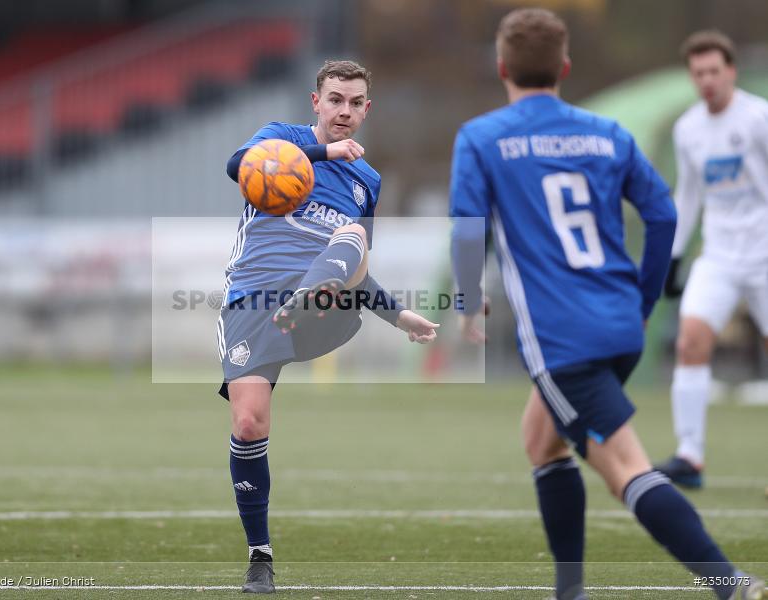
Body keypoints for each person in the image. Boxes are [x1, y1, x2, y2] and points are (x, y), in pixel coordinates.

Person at [449, 9, 764, 600]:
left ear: (501, 68)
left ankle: (729, 583)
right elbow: (665, 213)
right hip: (620, 323)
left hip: (562, 339)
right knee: (541, 440)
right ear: (564, 67)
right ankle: (569, 589)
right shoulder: (607, 133)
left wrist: (467, 303)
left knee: (624, 467)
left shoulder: (483, 137)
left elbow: (468, 229)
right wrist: (642, 298)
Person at [220, 59, 439, 594]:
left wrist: (397, 315)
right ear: (316, 101)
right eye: (335, 99)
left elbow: (358, 265)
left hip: (325, 307)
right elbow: (235, 164)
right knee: (249, 424)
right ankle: (260, 557)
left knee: (353, 239)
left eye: (355, 102)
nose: (345, 111)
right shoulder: (283, 140)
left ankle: (306, 294)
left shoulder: (367, 181)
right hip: (253, 299)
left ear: (368, 108)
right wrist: (321, 154)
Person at [654, 30, 768, 489]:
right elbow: (688, 196)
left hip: (764, 254)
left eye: (713, 71)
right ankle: (690, 455)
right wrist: (674, 257)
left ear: (731, 72)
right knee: (690, 342)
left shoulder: (759, 118)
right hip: (719, 257)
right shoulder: (687, 129)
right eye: (698, 72)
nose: (706, 80)